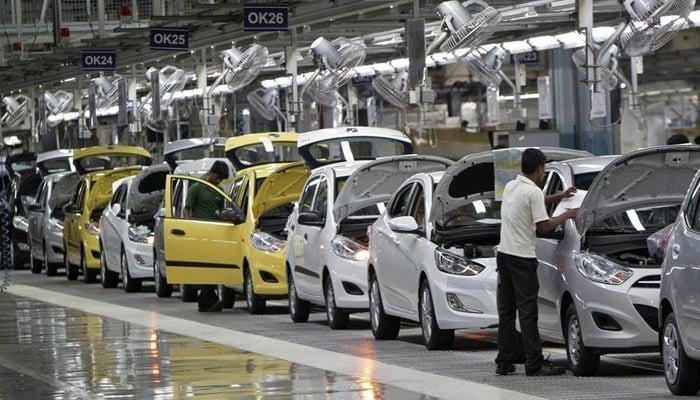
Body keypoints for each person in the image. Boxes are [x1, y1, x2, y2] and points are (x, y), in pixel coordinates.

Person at [495, 148, 578, 376]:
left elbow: (534, 201)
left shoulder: (512, 186)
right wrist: (566, 215)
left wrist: (560, 196)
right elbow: (543, 227)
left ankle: (504, 361)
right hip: (522, 258)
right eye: (543, 170)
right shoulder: (532, 193)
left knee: (507, 311)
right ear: (539, 169)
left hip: (504, 256)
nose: (543, 175)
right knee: (528, 312)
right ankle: (534, 363)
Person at [184, 160, 230, 312]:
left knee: (212, 268)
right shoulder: (196, 188)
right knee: (204, 268)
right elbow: (187, 209)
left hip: (215, 234)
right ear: (211, 173)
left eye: (221, 179)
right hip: (199, 234)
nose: (219, 181)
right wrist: (189, 229)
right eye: (218, 178)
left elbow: (222, 212)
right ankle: (207, 298)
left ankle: (206, 299)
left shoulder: (219, 191)